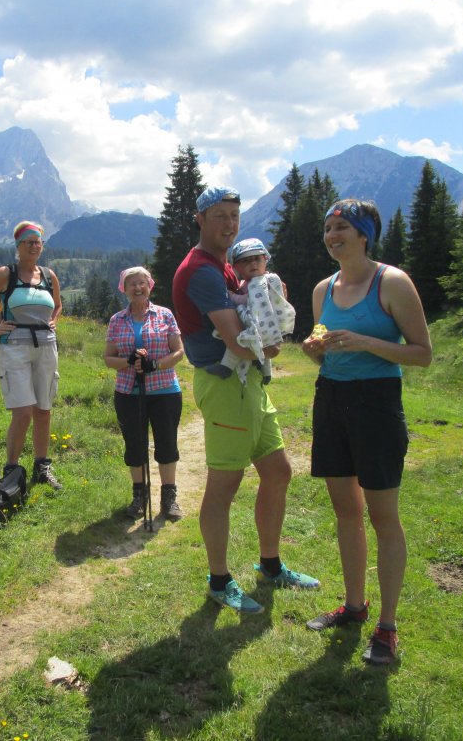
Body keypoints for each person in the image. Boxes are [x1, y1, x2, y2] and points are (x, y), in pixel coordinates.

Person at [172, 186, 319, 615]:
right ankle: (219, 579)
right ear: (200, 219)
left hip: (249, 385)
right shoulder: (200, 270)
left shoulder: (225, 269)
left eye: (234, 216)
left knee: (278, 471)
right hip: (226, 383)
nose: (229, 224)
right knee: (224, 485)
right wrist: (270, 347)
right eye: (219, 216)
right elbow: (239, 343)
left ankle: (271, 565)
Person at [301, 198, 432, 666]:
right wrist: (314, 350)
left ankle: (388, 628)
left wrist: (365, 343)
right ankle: (355, 606)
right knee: (345, 512)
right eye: (327, 228)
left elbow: (421, 353)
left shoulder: (391, 282)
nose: (333, 235)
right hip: (331, 399)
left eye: (342, 227)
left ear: (364, 235)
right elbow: (324, 354)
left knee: (383, 517)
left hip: (377, 404)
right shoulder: (323, 289)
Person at [0, 221, 64, 489]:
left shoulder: (48, 276)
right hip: (14, 348)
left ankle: (41, 467)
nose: (34, 246)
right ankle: (12, 468)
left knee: (43, 410)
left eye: (38, 242)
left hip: (46, 347)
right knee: (22, 412)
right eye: (28, 242)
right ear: (18, 246)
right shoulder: (5, 274)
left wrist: (54, 320)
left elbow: (57, 305)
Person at [103, 266, 186, 521]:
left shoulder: (165, 315)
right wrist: (128, 361)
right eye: (132, 284)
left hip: (164, 390)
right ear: (124, 289)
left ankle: (168, 497)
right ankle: (139, 496)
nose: (138, 288)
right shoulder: (117, 320)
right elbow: (108, 358)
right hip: (128, 391)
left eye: (142, 283)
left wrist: (155, 364)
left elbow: (179, 352)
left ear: (150, 285)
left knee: (166, 443)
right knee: (135, 445)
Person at [206, 238, 295, 385]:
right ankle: (266, 372)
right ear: (237, 267)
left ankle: (226, 367)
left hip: (263, 321)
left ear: (265, 259)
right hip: (261, 323)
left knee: (239, 337)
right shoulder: (247, 283)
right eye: (246, 261)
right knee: (257, 342)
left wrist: (233, 296)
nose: (253, 264)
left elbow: (253, 300)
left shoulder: (264, 281)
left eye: (257, 259)